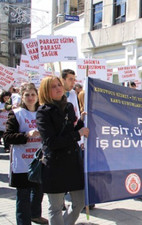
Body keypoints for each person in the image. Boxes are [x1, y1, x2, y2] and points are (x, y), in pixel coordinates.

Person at [36, 76, 89, 225]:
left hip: (73, 163)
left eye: (59, 84)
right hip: (55, 164)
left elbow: (71, 128)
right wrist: (78, 134)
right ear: (46, 91)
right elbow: (51, 142)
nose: (58, 88)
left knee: (80, 202)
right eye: (53, 86)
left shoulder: (69, 106)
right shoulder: (43, 112)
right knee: (56, 208)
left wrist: (81, 121)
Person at [5, 83, 48, 225]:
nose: (30, 98)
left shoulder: (42, 112)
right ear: (22, 97)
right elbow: (7, 137)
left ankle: (35, 214)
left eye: (33, 95)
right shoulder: (16, 114)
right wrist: (26, 135)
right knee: (23, 196)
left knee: (38, 192)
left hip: (39, 160)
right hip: (22, 162)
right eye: (27, 95)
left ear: (37, 96)